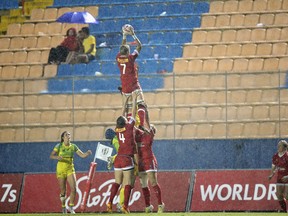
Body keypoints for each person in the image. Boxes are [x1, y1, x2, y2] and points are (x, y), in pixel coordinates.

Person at [106, 91, 138, 214]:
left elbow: (122, 114)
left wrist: (125, 100)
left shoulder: (117, 129)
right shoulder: (129, 127)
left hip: (118, 159)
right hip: (126, 158)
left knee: (117, 182)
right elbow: (133, 112)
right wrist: (134, 98)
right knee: (128, 184)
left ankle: (109, 202)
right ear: (125, 122)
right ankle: (125, 206)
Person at [50, 131, 92, 214]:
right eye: (66, 135)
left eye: (69, 135)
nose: (68, 136)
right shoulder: (58, 146)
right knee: (63, 191)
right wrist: (57, 157)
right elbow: (51, 156)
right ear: (63, 138)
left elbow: (82, 155)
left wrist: (87, 153)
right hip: (60, 169)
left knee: (74, 188)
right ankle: (63, 207)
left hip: (70, 169)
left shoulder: (73, 146)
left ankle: (71, 208)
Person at [116, 25, 149, 132]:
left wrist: (124, 36)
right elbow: (139, 46)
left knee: (126, 108)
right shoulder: (130, 58)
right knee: (142, 104)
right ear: (128, 53)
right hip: (134, 86)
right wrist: (133, 35)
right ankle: (141, 125)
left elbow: (122, 48)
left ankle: (124, 128)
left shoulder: (118, 58)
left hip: (125, 88)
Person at [136, 124, 164, 213]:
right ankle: (148, 206)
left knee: (153, 182)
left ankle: (160, 204)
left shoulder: (149, 135)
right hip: (141, 162)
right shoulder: (139, 135)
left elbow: (147, 126)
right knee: (143, 184)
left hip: (149, 160)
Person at [268, 140, 288, 212]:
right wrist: (271, 175)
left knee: (286, 196)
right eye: (278, 145)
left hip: (287, 178)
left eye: (280, 145)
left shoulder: (287, 156)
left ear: (284, 148)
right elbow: (274, 167)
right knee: (279, 195)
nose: (278, 147)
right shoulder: (275, 156)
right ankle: (285, 211)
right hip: (280, 178)